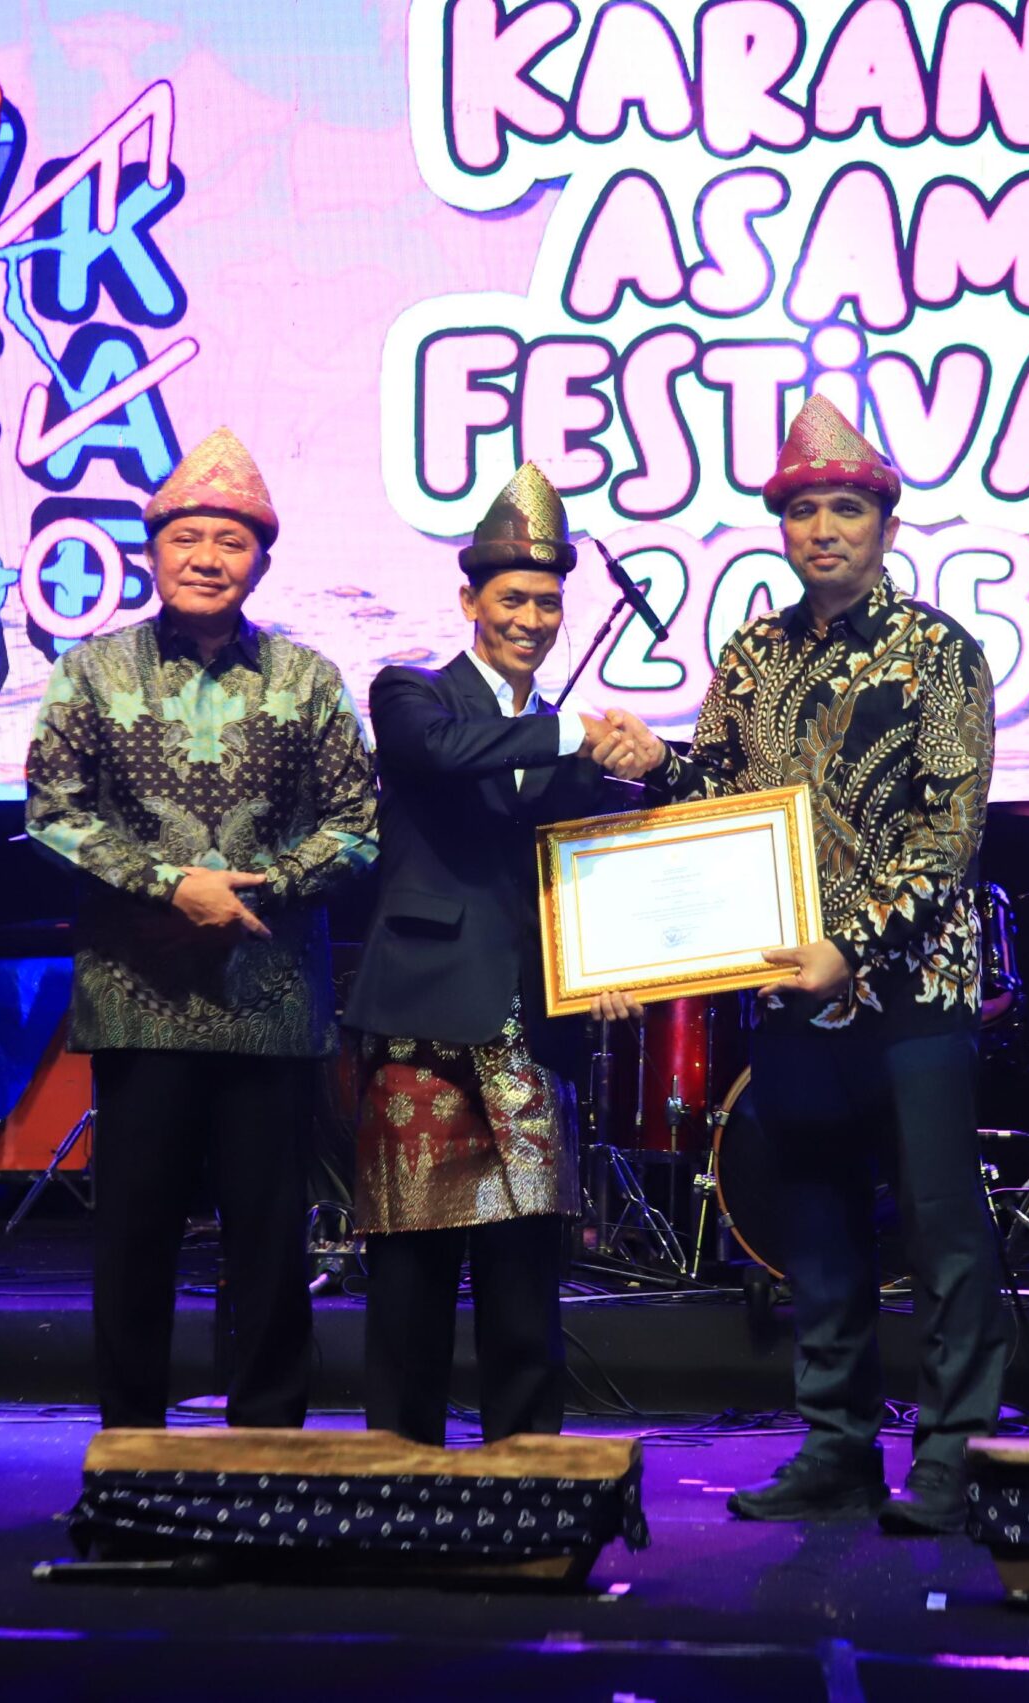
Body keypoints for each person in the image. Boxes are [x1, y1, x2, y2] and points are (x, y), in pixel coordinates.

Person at [607, 395, 1012, 1534]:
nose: (822, 528)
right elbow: (714, 802)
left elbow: (948, 835)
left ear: (887, 523)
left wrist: (855, 945)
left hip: (913, 991)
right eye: (801, 511)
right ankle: (836, 1445)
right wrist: (655, 762)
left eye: (844, 508)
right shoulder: (751, 653)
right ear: (780, 528)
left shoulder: (941, 651)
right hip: (789, 988)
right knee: (819, 1230)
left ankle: (953, 1453)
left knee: (941, 1228)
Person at [26, 426, 378, 1432]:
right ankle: (128, 1448)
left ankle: (267, 1448)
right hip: (139, 999)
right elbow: (51, 813)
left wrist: (258, 889)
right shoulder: (92, 670)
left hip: (269, 1002)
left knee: (269, 1240)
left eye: (231, 541)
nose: (207, 558)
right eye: (187, 538)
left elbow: (358, 824)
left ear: (260, 561)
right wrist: (168, 885)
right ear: (151, 552)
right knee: (133, 1240)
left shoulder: (308, 678)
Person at [341, 463, 663, 1446]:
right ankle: (400, 1469)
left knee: (525, 1281)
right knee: (412, 1275)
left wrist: (610, 965)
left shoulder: (564, 742)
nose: (530, 618)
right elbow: (441, 754)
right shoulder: (411, 693)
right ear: (469, 601)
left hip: (528, 1029)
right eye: (512, 598)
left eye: (547, 602)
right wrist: (569, 731)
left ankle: (528, 1473)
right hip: (426, 1022)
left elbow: (586, 872)